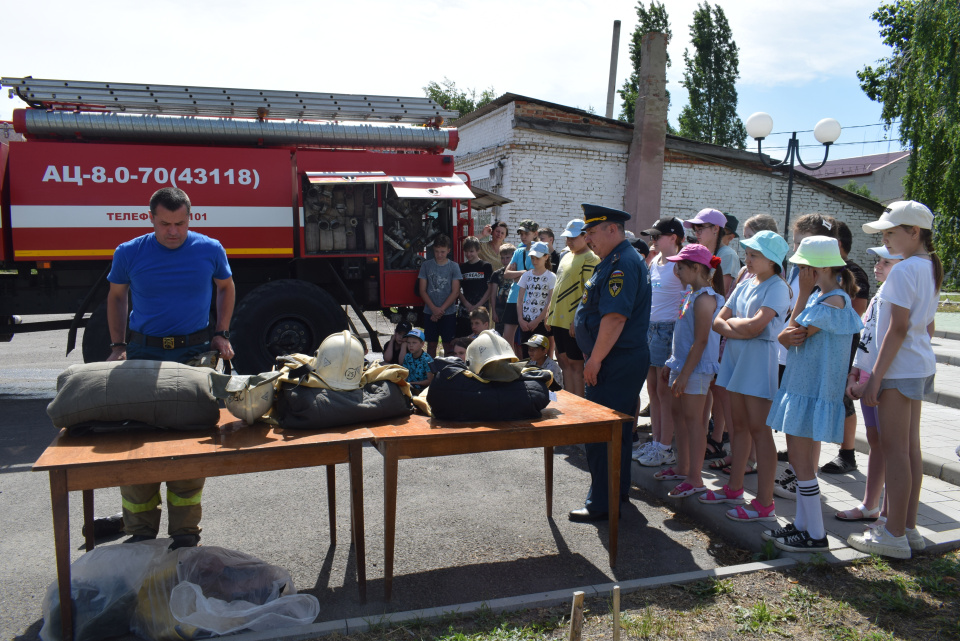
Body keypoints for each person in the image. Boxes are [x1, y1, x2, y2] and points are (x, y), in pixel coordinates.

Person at [106, 187, 236, 550]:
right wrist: (118, 346)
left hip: (194, 355)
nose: (173, 231)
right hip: (144, 354)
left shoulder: (210, 249)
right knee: (137, 443)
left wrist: (220, 333)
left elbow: (226, 287)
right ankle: (141, 532)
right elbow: (117, 297)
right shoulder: (129, 253)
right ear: (151, 218)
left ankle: (184, 534)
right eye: (165, 224)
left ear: (190, 218)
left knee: (189, 445)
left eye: (180, 223)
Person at [848, 200, 941, 559]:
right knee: (909, 451)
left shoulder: (903, 270)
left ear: (914, 232)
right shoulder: (928, 264)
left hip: (899, 370)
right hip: (915, 366)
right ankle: (908, 528)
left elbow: (897, 328)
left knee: (896, 452)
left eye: (891, 232)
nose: (885, 239)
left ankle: (894, 533)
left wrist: (876, 379)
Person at [763, 236, 863, 551]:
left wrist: (803, 293)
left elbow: (792, 334)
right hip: (802, 389)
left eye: (803, 266)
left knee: (802, 463)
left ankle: (815, 534)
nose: (799, 271)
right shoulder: (828, 298)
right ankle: (804, 525)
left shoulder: (832, 301)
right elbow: (787, 336)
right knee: (799, 459)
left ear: (817, 268)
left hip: (809, 392)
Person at [702, 230, 790, 523]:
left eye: (754, 255)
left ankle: (765, 504)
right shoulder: (746, 282)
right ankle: (734, 488)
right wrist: (740, 327)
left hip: (757, 359)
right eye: (748, 254)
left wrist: (735, 327)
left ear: (773, 260)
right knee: (738, 426)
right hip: (737, 356)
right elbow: (717, 321)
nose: (748, 259)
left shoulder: (777, 287)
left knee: (759, 431)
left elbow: (755, 327)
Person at [570, 204, 651, 522]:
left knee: (601, 431)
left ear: (612, 230)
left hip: (614, 362)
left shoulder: (621, 264)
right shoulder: (616, 260)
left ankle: (602, 503)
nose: (588, 239)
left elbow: (615, 318)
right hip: (618, 360)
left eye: (591, 232)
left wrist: (595, 359)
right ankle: (616, 494)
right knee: (617, 430)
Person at [838, 246, 902, 523]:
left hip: (886, 379)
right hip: (866, 376)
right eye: (878, 260)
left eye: (886, 262)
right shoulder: (880, 295)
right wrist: (854, 373)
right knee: (876, 441)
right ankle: (870, 505)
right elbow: (866, 340)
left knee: (891, 444)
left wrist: (872, 377)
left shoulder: (900, 298)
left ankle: (891, 513)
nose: (877, 266)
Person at [658, 244, 724, 499]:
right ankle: (682, 466)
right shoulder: (690, 293)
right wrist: (672, 363)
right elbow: (682, 335)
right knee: (680, 416)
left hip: (696, 369)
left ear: (696, 268)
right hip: (682, 364)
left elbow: (702, 341)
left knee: (695, 422)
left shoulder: (706, 297)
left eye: (681, 266)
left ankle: (695, 478)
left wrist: (684, 373)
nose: (676, 270)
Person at [819, 220, 872, 475]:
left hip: (843, 347)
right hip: (823, 346)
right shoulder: (828, 269)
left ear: (837, 245)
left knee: (844, 398)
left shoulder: (854, 273)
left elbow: (854, 315)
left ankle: (847, 453)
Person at [636, 216, 686, 468]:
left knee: (664, 392)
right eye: (652, 236)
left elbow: (689, 299)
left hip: (668, 330)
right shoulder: (655, 260)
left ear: (674, 238)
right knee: (653, 390)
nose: (652, 241)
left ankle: (665, 446)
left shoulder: (680, 264)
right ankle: (656, 442)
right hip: (650, 329)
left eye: (657, 236)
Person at [544, 219, 599, 398]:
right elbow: (558, 286)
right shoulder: (565, 255)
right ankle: (570, 401)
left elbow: (588, 292)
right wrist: (549, 313)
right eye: (567, 237)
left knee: (576, 365)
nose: (569, 241)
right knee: (563, 362)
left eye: (573, 238)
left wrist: (578, 320)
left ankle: (579, 403)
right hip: (558, 319)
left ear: (585, 236)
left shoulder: (591, 258)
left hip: (572, 321)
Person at [418, 234, 462, 358]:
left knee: (448, 345)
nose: (439, 255)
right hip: (429, 311)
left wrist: (440, 310)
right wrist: (434, 309)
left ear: (448, 250)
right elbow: (422, 290)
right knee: (431, 344)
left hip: (448, 312)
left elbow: (455, 291)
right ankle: (431, 372)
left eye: (442, 252)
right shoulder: (426, 265)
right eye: (437, 251)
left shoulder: (454, 266)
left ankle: (448, 370)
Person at [503, 220, 539, 356]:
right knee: (507, 337)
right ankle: (512, 364)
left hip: (530, 298)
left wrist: (518, 275)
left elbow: (536, 274)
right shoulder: (518, 251)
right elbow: (507, 274)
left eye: (526, 233)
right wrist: (523, 273)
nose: (523, 236)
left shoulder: (539, 250)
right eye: (521, 234)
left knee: (529, 339)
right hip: (514, 297)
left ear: (535, 233)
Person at [517, 241, 557, 355]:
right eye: (532, 258)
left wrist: (538, 320)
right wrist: (520, 319)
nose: (534, 261)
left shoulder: (551, 277)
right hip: (525, 321)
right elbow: (520, 299)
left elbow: (550, 301)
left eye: (537, 258)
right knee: (526, 354)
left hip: (541, 323)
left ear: (546, 257)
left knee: (540, 355)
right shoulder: (526, 275)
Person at [457, 236, 492, 338]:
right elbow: (457, 289)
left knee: (481, 337)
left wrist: (478, 305)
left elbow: (490, 289)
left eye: (471, 251)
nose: (468, 254)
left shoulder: (486, 266)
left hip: (481, 309)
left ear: (478, 250)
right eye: (466, 251)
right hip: (465, 310)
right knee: (463, 338)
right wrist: (467, 304)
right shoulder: (462, 267)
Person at [488, 243, 518, 335]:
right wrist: (494, 312)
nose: (505, 260)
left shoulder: (518, 271)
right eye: (502, 258)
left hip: (515, 307)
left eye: (507, 257)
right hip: (500, 309)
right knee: (500, 335)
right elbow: (493, 294)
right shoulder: (496, 274)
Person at [403, 327, 434, 392]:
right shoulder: (407, 356)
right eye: (408, 342)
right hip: (408, 386)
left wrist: (412, 384)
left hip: (423, 389)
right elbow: (405, 374)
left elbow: (430, 381)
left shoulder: (427, 359)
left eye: (414, 343)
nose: (411, 345)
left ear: (422, 344)